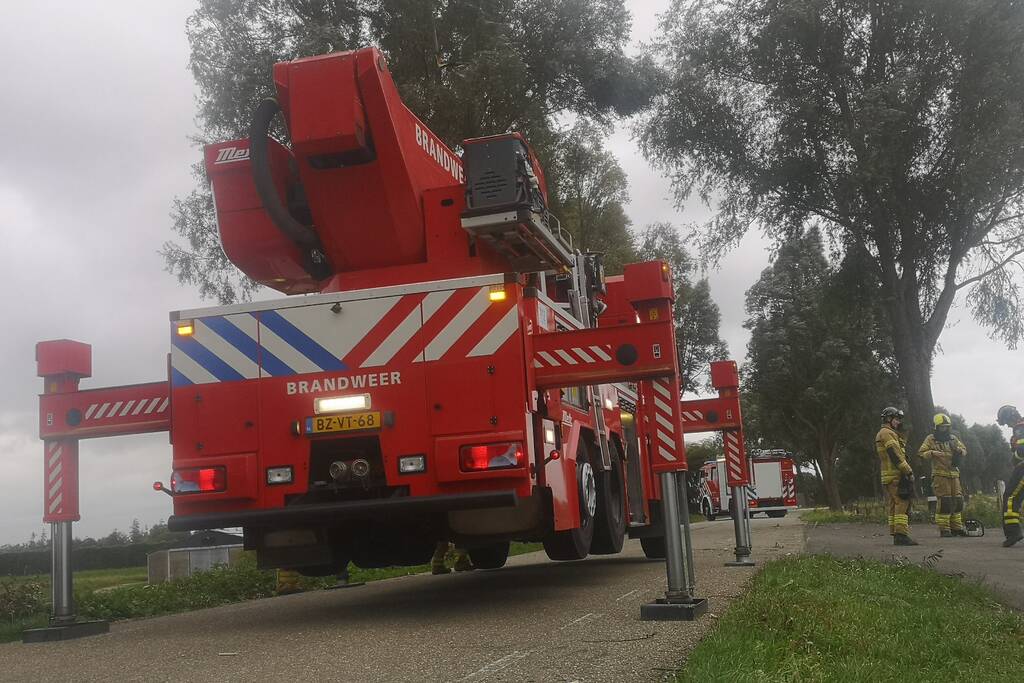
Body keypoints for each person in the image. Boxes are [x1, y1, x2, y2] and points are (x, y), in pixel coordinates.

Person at [918, 413, 967, 537]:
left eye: (946, 426)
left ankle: (957, 527)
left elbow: (964, 450)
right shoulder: (930, 439)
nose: (944, 429)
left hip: (954, 474)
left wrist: (960, 451)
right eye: (941, 427)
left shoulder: (953, 438)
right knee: (945, 502)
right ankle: (944, 529)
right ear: (936, 427)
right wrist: (932, 453)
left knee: (958, 501)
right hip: (940, 475)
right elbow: (921, 452)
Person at [876, 407, 918, 545]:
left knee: (894, 504)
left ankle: (896, 533)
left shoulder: (886, 433)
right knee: (902, 502)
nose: (899, 422)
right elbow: (895, 454)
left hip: (889, 475)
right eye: (897, 419)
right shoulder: (887, 433)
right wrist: (908, 471)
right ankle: (901, 535)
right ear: (889, 419)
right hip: (896, 475)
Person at [996, 405, 1024, 547]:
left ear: (1010, 417)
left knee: (1010, 497)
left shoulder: (1020, 428)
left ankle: (1013, 533)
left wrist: (1014, 459)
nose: (1007, 425)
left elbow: (1022, 449)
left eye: (1006, 422)